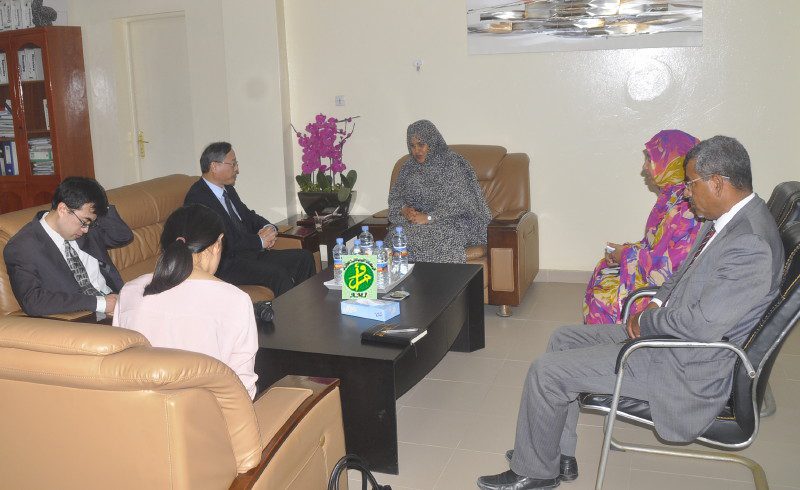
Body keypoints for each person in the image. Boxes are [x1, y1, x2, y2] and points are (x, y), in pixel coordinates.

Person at [477, 136, 784, 490]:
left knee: (545, 372)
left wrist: (648, 320)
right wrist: (654, 304)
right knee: (563, 338)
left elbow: (702, 325)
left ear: (717, 183)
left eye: (691, 183)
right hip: (670, 340)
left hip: (684, 367)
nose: (686, 192)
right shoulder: (728, 220)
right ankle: (556, 454)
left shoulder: (750, 244)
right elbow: (680, 275)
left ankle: (535, 473)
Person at [113, 204, 258, 399]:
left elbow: (119, 365)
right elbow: (242, 388)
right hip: (205, 414)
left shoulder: (130, 291)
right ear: (217, 244)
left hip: (137, 410)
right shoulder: (235, 300)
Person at [584, 130, 702, 324]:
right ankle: (596, 336)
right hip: (655, 272)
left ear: (671, 162)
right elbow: (656, 246)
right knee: (603, 267)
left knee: (606, 296)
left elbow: (668, 269)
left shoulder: (688, 209)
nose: (645, 167)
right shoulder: (672, 197)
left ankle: (609, 338)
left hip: (668, 292)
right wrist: (624, 251)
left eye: (650, 160)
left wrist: (625, 255)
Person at [184, 142, 316, 296]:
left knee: (304, 258)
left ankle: (305, 307)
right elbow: (223, 240)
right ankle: (289, 312)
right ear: (214, 166)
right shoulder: (197, 198)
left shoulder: (227, 189)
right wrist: (259, 241)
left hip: (249, 254)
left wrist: (269, 227)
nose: (237, 169)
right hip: (226, 263)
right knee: (278, 274)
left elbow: (247, 215)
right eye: (233, 164)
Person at [4, 176, 133, 316]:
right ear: (62, 209)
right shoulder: (22, 247)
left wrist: (100, 204)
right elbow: (32, 302)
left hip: (117, 301)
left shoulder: (85, 226)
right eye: (84, 222)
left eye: (89, 223)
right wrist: (101, 303)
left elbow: (123, 236)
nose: (86, 230)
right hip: (83, 316)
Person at [387, 120, 492, 263]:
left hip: (454, 221)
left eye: (421, 144)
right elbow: (395, 197)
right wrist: (404, 210)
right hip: (417, 223)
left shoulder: (452, 163)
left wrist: (429, 217)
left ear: (432, 142)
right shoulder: (408, 168)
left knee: (429, 237)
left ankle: (475, 251)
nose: (416, 151)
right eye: (412, 146)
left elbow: (462, 202)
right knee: (396, 236)